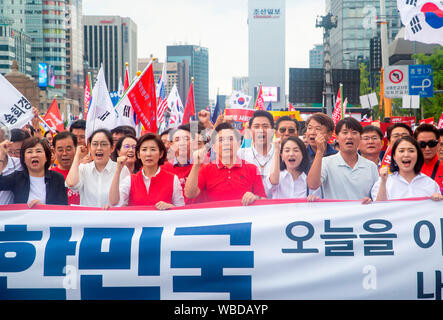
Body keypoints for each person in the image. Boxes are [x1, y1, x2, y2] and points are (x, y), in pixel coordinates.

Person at [185, 123, 267, 206]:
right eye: (221, 140)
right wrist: (196, 164)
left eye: (230, 139)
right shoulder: (206, 169)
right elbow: (190, 194)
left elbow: (263, 199)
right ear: (213, 147)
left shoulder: (252, 169)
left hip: (244, 218)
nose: (226, 143)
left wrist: (255, 197)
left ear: (239, 144)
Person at [307, 117, 378, 202]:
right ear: (337, 137)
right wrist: (319, 151)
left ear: (360, 138)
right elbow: (312, 185)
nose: (349, 137)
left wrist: (370, 200)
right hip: (336, 215)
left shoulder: (371, 166)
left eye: (354, 133)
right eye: (345, 133)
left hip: (362, 214)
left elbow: (377, 197)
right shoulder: (326, 162)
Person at [109, 133, 185, 210]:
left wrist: (171, 207)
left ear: (161, 154)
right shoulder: (130, 180)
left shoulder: (173, 179)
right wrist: (118, 170)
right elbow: (116, 204)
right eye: (144, 150)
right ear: (138, 154)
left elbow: (181, 210)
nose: (148, 154)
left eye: (153, 149)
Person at [66, 129, 130, 208]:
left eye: (103, 144)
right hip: (88, 218)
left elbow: (122, 200)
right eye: (95, 144)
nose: (99, 148)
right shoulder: (84, 168)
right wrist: (77, 155)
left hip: (112, 218)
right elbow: (71, 184)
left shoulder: (122, 169)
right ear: (89, 147)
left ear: (112, 148)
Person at [0, 138, 67, 207]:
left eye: (38, 151)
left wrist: (42, 208)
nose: (34, 155)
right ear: (24, 159)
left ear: (46, 157)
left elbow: (62, 209)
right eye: (29, 152)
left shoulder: (58, 179)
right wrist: (1, 155)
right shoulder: (17, 178)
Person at [372, 136, 442, 201]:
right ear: (394, 156)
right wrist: (383, 183)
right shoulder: (383, 183)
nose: (406, 155)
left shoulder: (430, 184)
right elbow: (379, 209)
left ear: (418, 155)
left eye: (411, 151)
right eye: (401, 151)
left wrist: (437, 200)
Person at [238, 110, 275, 195]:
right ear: (250, 131)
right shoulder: (240, 155)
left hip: (276, 206)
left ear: (273, 131)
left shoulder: (282, 154)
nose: (261, 130)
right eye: (256, 126)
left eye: (265, 126)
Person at [51, 131, 80, 205]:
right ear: (54, 151)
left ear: (76, 149)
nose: (64, 153)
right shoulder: (49, 175)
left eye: (68, 149)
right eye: (60, 150)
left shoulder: (85, 170)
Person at [414, 124, 442, 191]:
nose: (427, 148)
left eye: (431, 143)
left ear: (439, 143)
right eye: (422, 144)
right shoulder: (407, 169)